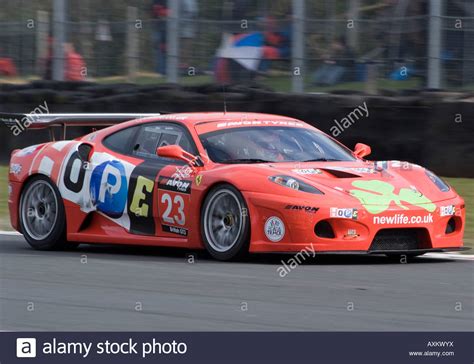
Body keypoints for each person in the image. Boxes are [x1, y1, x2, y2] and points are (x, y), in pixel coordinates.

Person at [152, 0, 168, 75]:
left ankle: (162, 71)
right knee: (159, 50)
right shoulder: (156, 2)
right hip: (159, 28)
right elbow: (157, 12)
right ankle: (160, 71)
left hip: (165, 29)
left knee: (164, 50)